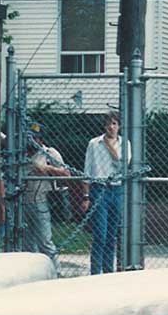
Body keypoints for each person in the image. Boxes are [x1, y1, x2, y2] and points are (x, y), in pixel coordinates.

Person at [80, 111, 130, 275]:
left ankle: (109, 271)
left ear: (119, 126)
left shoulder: (125, 143)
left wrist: (110, 146)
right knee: (100, 233)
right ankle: (95, 271)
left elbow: (122, 164)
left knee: (111, 234)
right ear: (104, 126)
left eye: (114, 123)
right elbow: (87, 170)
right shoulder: (94, 143)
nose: (111, 127)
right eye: (109, 124)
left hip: (116, 189)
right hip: (99, 189)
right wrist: (86, 196)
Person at [22, 122, 70, 271]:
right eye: (29, 138)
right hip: (21, 203)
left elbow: (67, 174)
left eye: (35, 139)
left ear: (41, 140)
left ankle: (57, 272)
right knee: (27, 244)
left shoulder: (49, 153)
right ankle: (32, 273)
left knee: (45, 242)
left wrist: (48, 169)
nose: (31, 142)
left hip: (39, 201)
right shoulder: (20, 153)